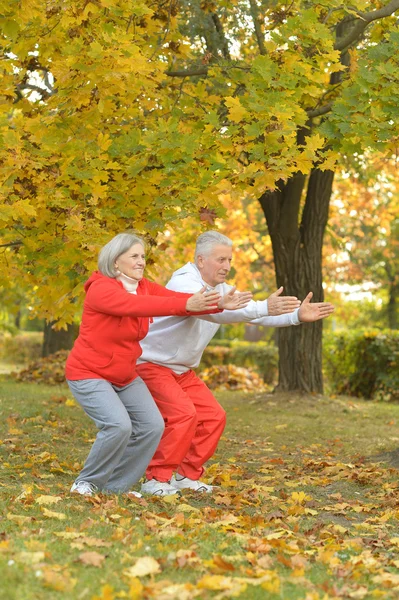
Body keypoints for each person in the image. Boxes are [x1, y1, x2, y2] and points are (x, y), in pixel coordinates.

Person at [136, 230, 335, 496]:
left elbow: (250, 314)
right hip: (152, 365)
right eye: (220, 260)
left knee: (213, 417)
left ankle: (186, 477)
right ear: (201, 260)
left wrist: (294, 316)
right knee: (183, 414)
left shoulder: (222, 290)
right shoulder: (183, 282)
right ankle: (156, 480)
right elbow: (214, 312)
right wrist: (262, 307)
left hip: (182, 370)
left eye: (229, 260)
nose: (227, 266)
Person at [65, 232, 252, 497]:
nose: (141, 261)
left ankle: (116, 488)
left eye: (143, 256)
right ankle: (86, 482)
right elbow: (140, 306)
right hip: (89, 373)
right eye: (134, 256)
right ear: (115, 262)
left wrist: (218, 303)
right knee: (119, 426)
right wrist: (188, 303)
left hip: (125, 375)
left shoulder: (144, 286)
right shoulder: (101, 288)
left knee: (153, 425)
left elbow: (172, 299)